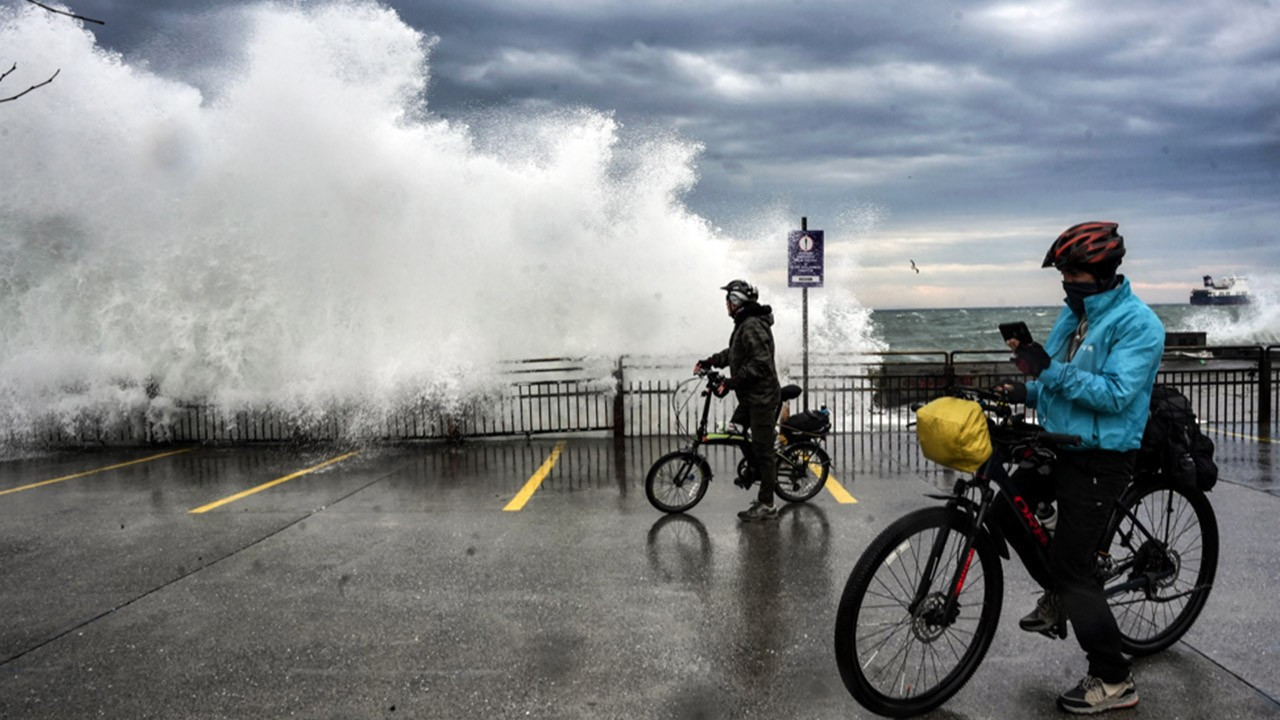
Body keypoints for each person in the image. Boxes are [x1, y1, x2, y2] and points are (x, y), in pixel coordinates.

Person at [995, 221, 1164, 715]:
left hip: (1102, 456)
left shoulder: (1139, 324)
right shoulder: (1073, 318)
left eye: (1074, 273)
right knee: (1007, 507)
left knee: (1074, 569)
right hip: (1060, 443)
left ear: (1104, 272)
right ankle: (1060, 594)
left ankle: (1114, 679)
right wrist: (1025, 388)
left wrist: (1048, 369)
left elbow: (1114, 394)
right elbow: (1059, 384)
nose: (1067, 283)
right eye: (1064, 274)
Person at [694, 279, 782, 522]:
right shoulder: (744, 324)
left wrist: (733, 382)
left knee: (764, 451)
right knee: (735, 429)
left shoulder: (752, 325)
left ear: (736, 301)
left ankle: (768, 504)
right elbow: (735, 354)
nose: (726, 305)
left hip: (762, 398)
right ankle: (756, 469)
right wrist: (710, 361)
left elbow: (761, 363)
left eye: (728, 300)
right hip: (751, 397)